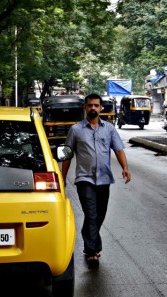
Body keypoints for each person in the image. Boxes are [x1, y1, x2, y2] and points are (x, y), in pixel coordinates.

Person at [61, 93, 132, 269]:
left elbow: (118, 149)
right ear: (85, 107)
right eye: (90, 105)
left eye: (96, 105)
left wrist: (125, 168)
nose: (93, 108)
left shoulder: (109, 129)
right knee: (91, 214)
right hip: (84, 179)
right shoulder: (75, 130)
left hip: (104, 179)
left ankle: (90, 242)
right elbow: (67, 154)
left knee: (98, 215)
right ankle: (92, 251)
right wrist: (62, 177)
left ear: (101, 108)